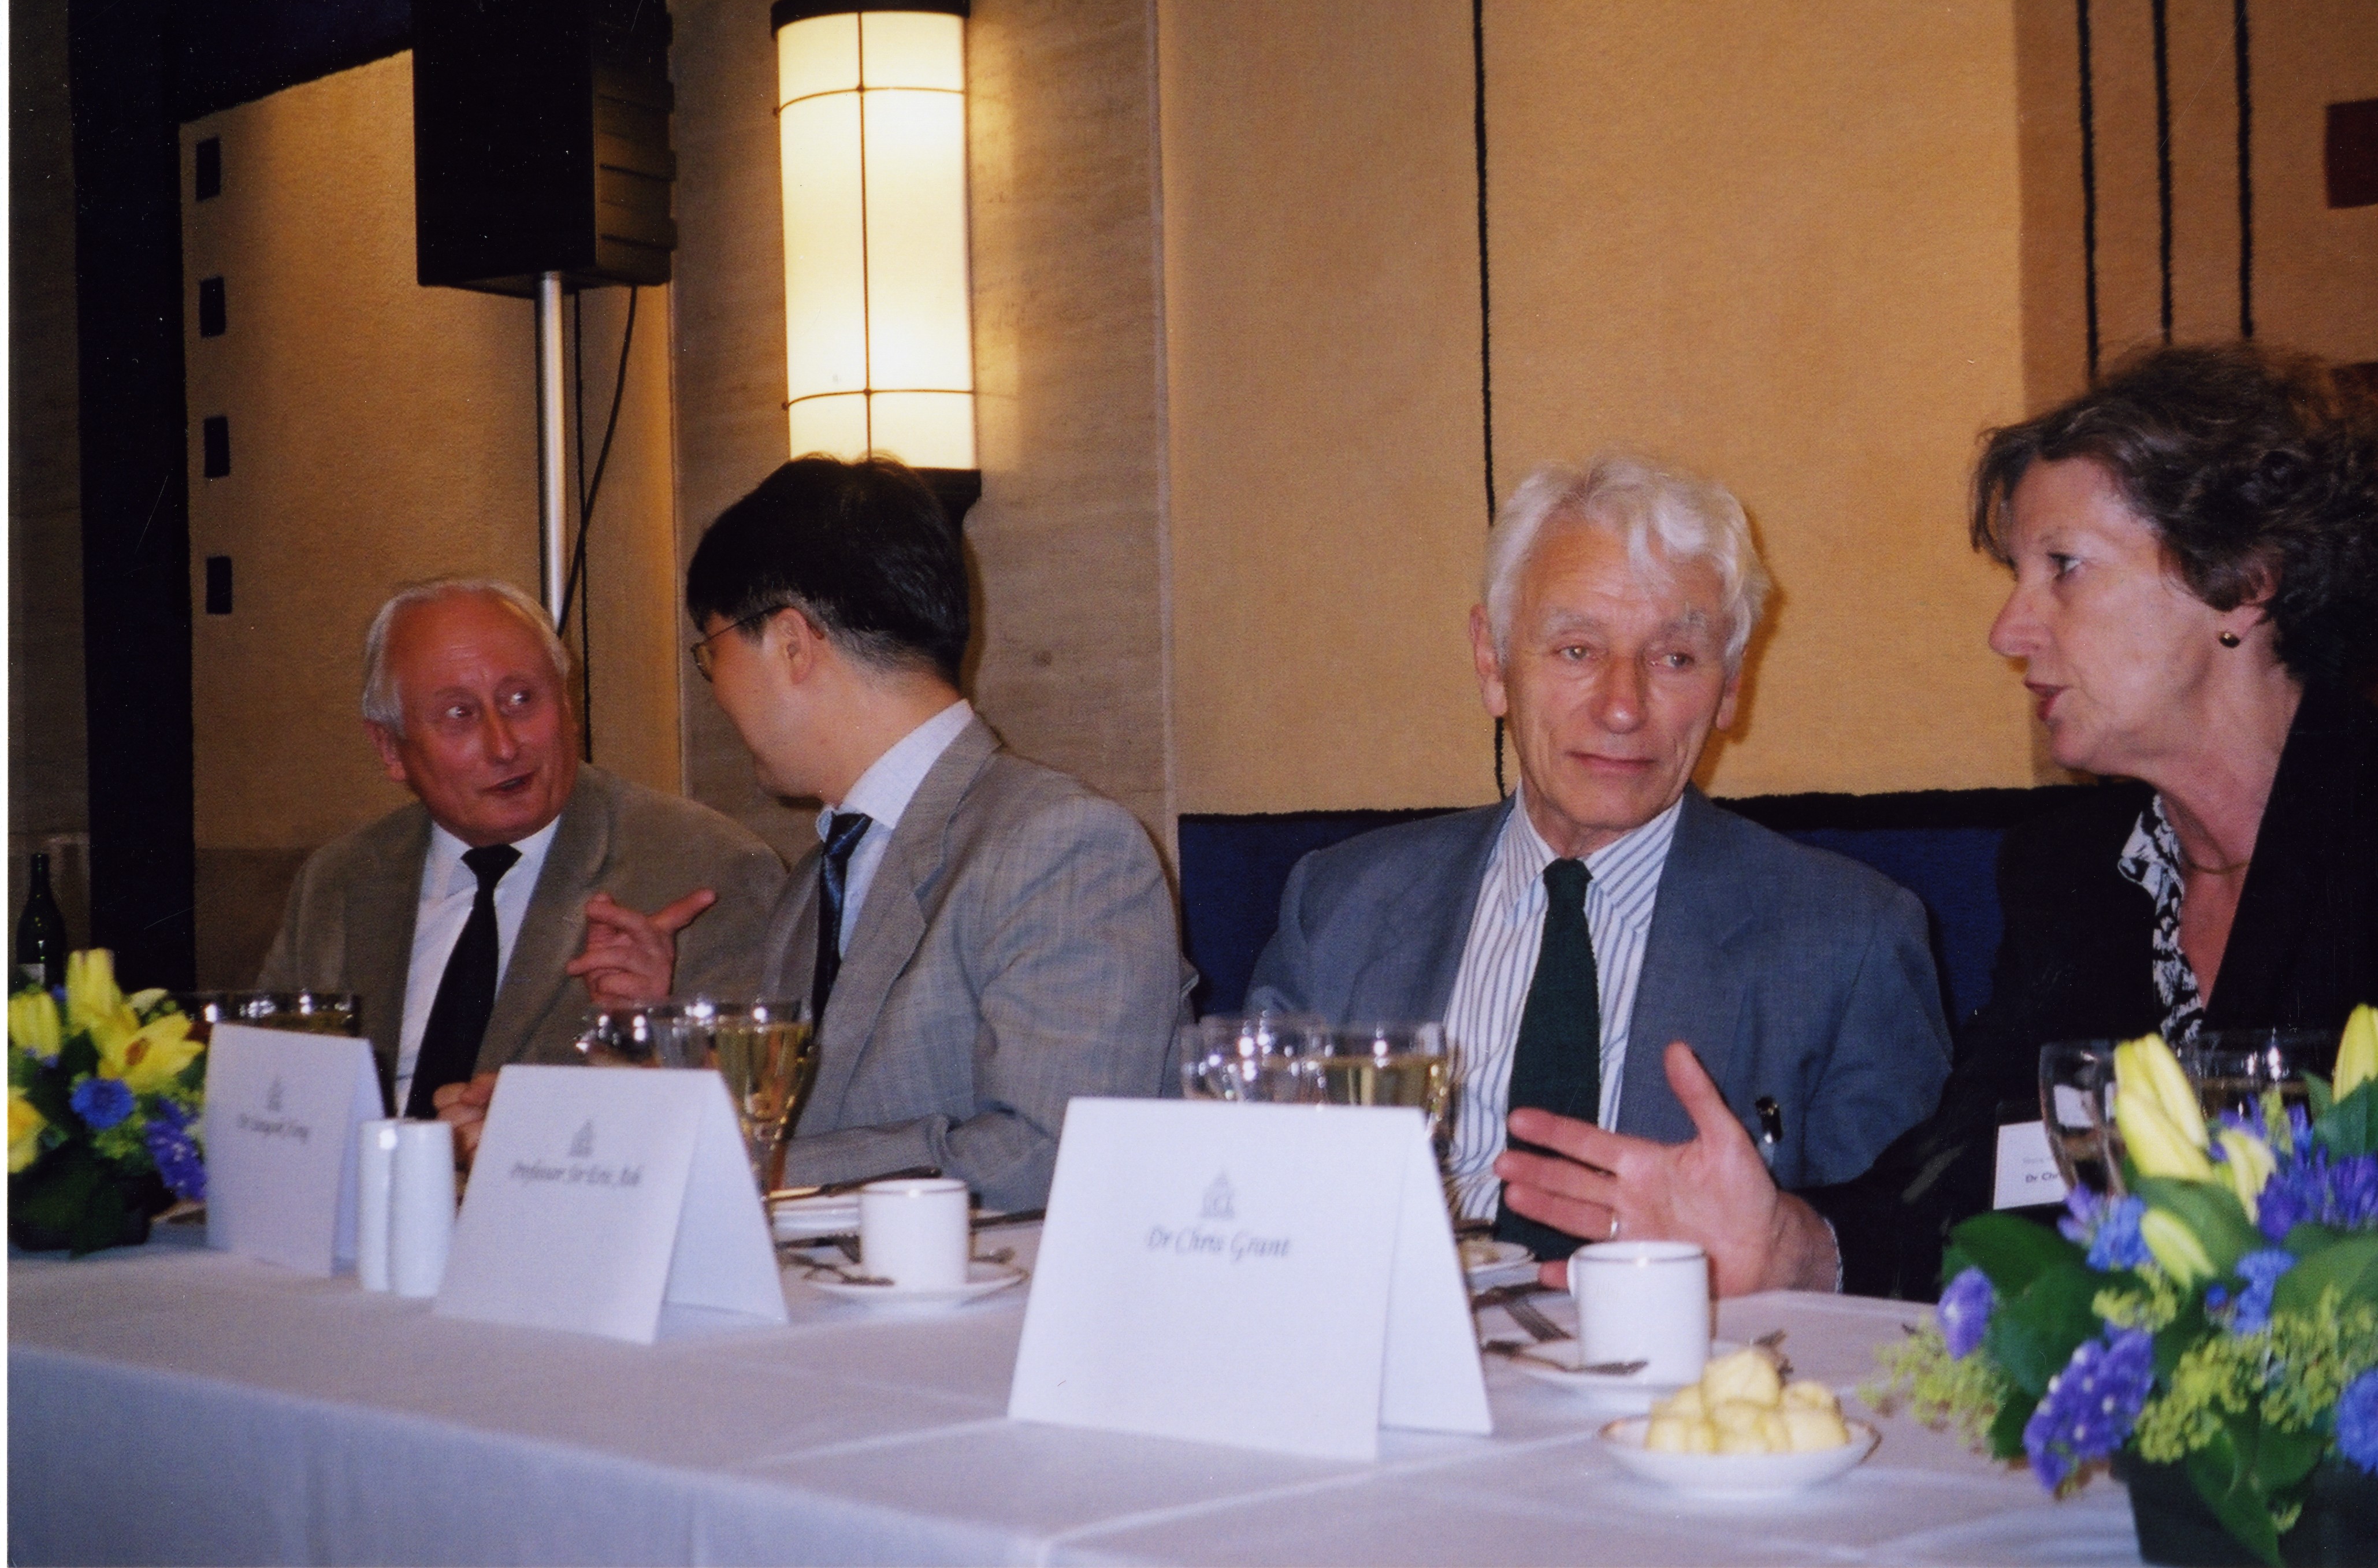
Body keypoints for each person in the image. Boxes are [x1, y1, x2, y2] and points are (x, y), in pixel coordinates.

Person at [1246, 454, 1952, 1295]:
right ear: (1492, 661)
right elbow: (1243, 1204)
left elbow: (1905, 1268)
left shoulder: (1848, 940)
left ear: (1731, 686)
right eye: (1577, 649)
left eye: (1676, 658)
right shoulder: (1340, 908)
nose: (1622, 707)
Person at [467, 455, 1190, 1211]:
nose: (717, 691)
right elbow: (808, 1116)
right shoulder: (817, 879)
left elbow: (1046, 1152)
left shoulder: (1062, 846)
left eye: (713, 652)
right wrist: (560, 1125)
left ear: (791, 643)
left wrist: (738, 1163)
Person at [1859, 344, 2378, 1292]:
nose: (2008, 631)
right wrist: (1798, 1237)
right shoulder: (2071, 872)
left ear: (2242, 579)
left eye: (2064, 567)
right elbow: (1960, 1178)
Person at [259, 579, 786, 1120]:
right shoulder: (338, 882)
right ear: (389, 748)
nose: (505, 746)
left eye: (521, 699)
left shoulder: (705, 868)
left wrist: (648, 1028)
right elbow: (267, 1103)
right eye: (459, 714)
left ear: (567, 702)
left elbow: (748, 1114)